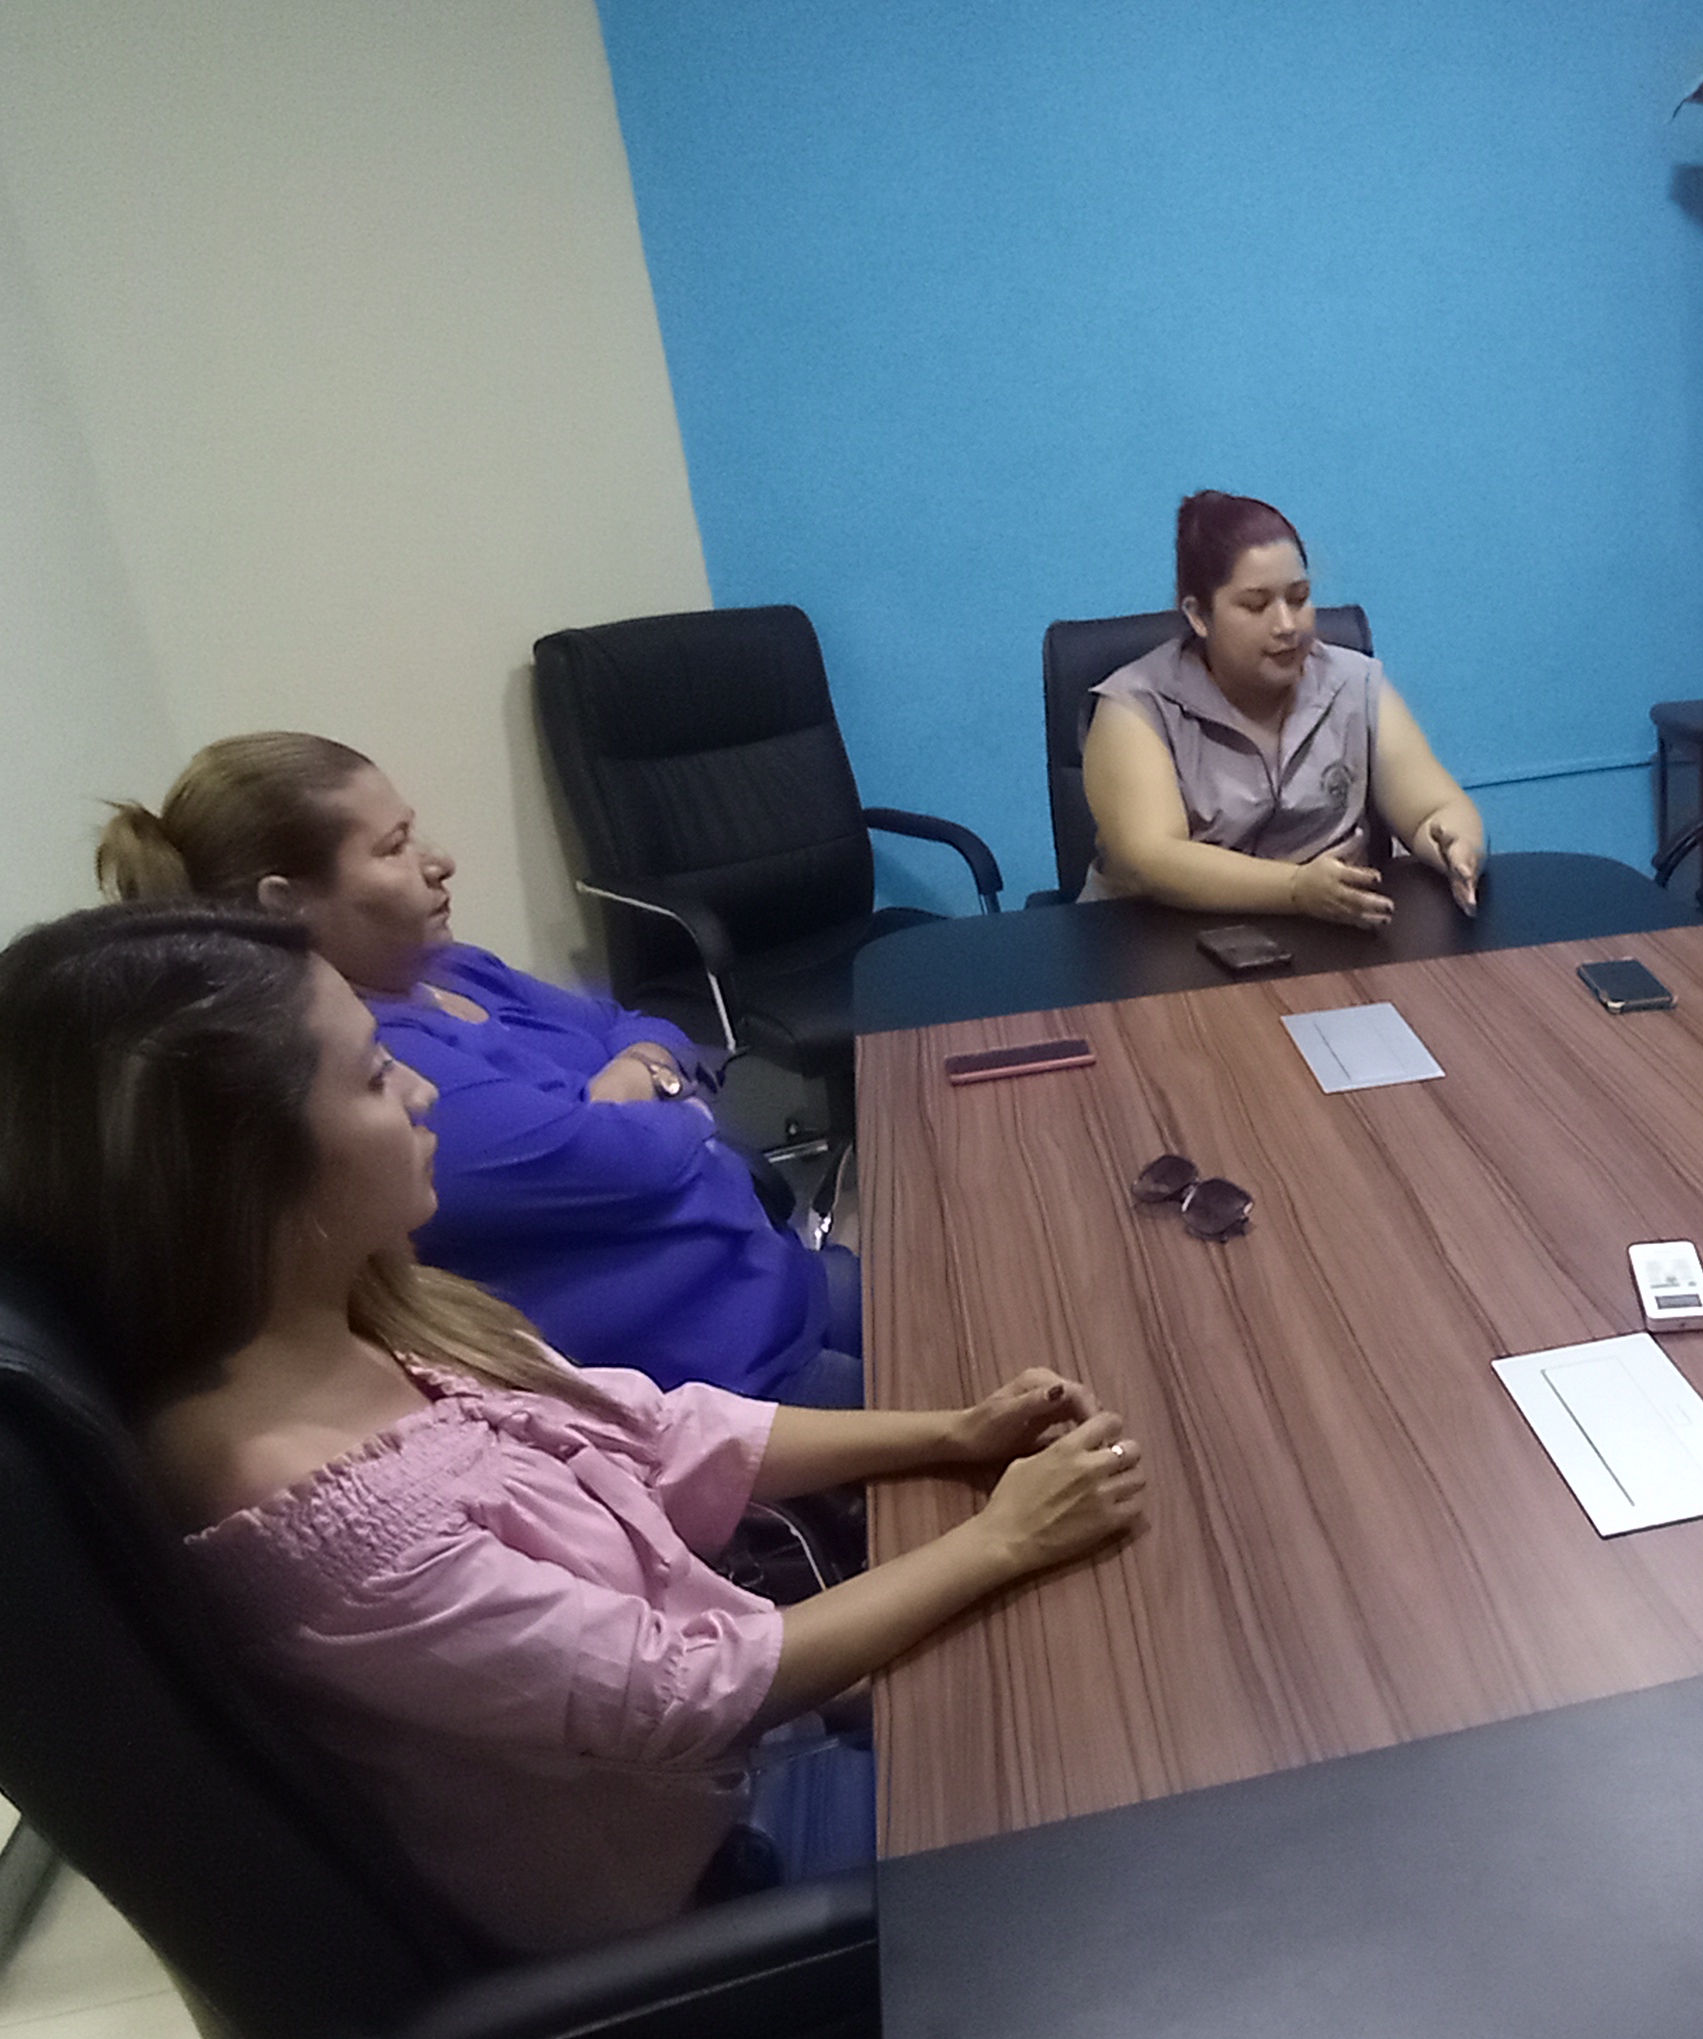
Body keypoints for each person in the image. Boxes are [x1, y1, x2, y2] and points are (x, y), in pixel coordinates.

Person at [0, 903, 1150, 1954]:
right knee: (1115, 1818)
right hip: (709, 1895)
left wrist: (955, 1433)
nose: (422, 1093)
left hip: (745, 1747)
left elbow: (658, 1432)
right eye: (374, 1075)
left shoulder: (381, 1317)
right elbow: (683, 1692)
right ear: (241, 1168)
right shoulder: (326, 1525)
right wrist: (1001, 1538)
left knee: (1089, 1675)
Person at [97, 732, 863, 1406]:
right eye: (394, 848)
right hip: (728, 1379)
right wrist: (667, 1095)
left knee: (935, 1286)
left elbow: (643, 1024)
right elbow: (639, 1162)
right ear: (285, 905)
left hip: (770, 1275)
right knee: (936, 1398)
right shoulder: (374, 1071)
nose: (440, 863)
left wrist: (635, 1079)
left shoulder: (452, 968)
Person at [1081, 490, 1488, 928]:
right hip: (1160, 940)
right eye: (1256, 605)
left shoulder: (1354, 683)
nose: (1287, 625)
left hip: (1332, 933)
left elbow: (1432, 810)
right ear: (1199, 615)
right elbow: (1151, 858)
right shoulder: (1136, 705)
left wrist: (1460, 844)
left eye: (1298, 598)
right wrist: (1295, 889)